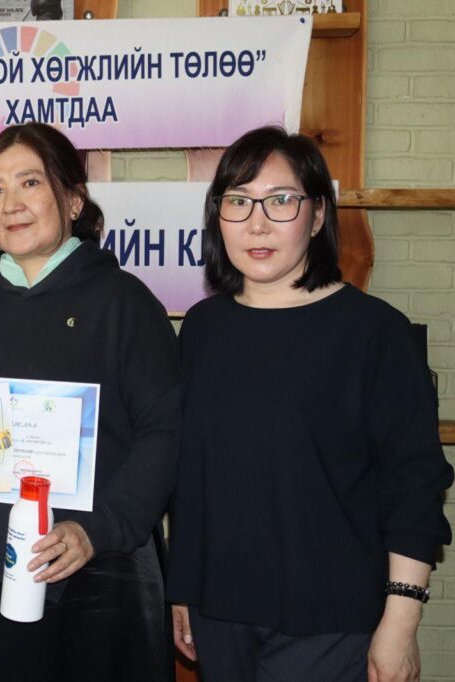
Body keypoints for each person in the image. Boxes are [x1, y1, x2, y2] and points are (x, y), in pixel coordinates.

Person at [166, 126, 453, 682]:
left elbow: (414, 486)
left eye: (280, 201)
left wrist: (401, 620)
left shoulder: (374, 333)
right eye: (238, 201)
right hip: (219, 613)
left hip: (330, 621)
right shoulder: (202, 328)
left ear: (318, 215)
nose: (256, 223)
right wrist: (184, 588)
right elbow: (192, 477)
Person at [0, 122, 182, 680]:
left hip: (102, 566)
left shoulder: (124, 302)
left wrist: (97, 530)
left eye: (30, 182)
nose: (11, 204)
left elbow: (167, 433)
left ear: (74, 200)